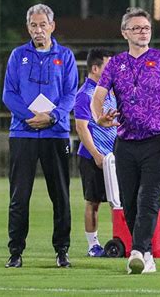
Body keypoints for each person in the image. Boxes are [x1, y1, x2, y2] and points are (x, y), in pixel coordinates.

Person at [91, 7, 160, 274]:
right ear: (125, 33)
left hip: (158, 141)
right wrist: (99, 117)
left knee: (149, 197)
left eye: (146, 28)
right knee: (129, 203)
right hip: (126, 143)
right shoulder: (115, 64)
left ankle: (139, 251)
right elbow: (97, 97)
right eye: (136, 28)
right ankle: (145, 252)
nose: (142, 32)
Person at [2, 3, 78, 268]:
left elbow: (70, 94)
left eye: (43, 25)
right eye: (33, 25)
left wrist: (53, 117)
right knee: (19, 196)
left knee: (60, 195)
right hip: (22, 134)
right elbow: (8, 94)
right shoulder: (17, 56)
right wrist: (29, 117)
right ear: (28, 28)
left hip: (55, 135)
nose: (38, 30)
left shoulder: (65, 57)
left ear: (52, 26)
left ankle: (62, 250)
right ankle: (15, 252)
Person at [73, 48, 116, 257]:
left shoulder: (110, 92)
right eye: (108, 66)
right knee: (94, 201)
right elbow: (81, 128)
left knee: (118, 201)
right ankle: (93, 245)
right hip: (92, 157)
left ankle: (122, 239)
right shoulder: (85, 95)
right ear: (96, 68)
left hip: (113, 157)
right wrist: (96, 154)